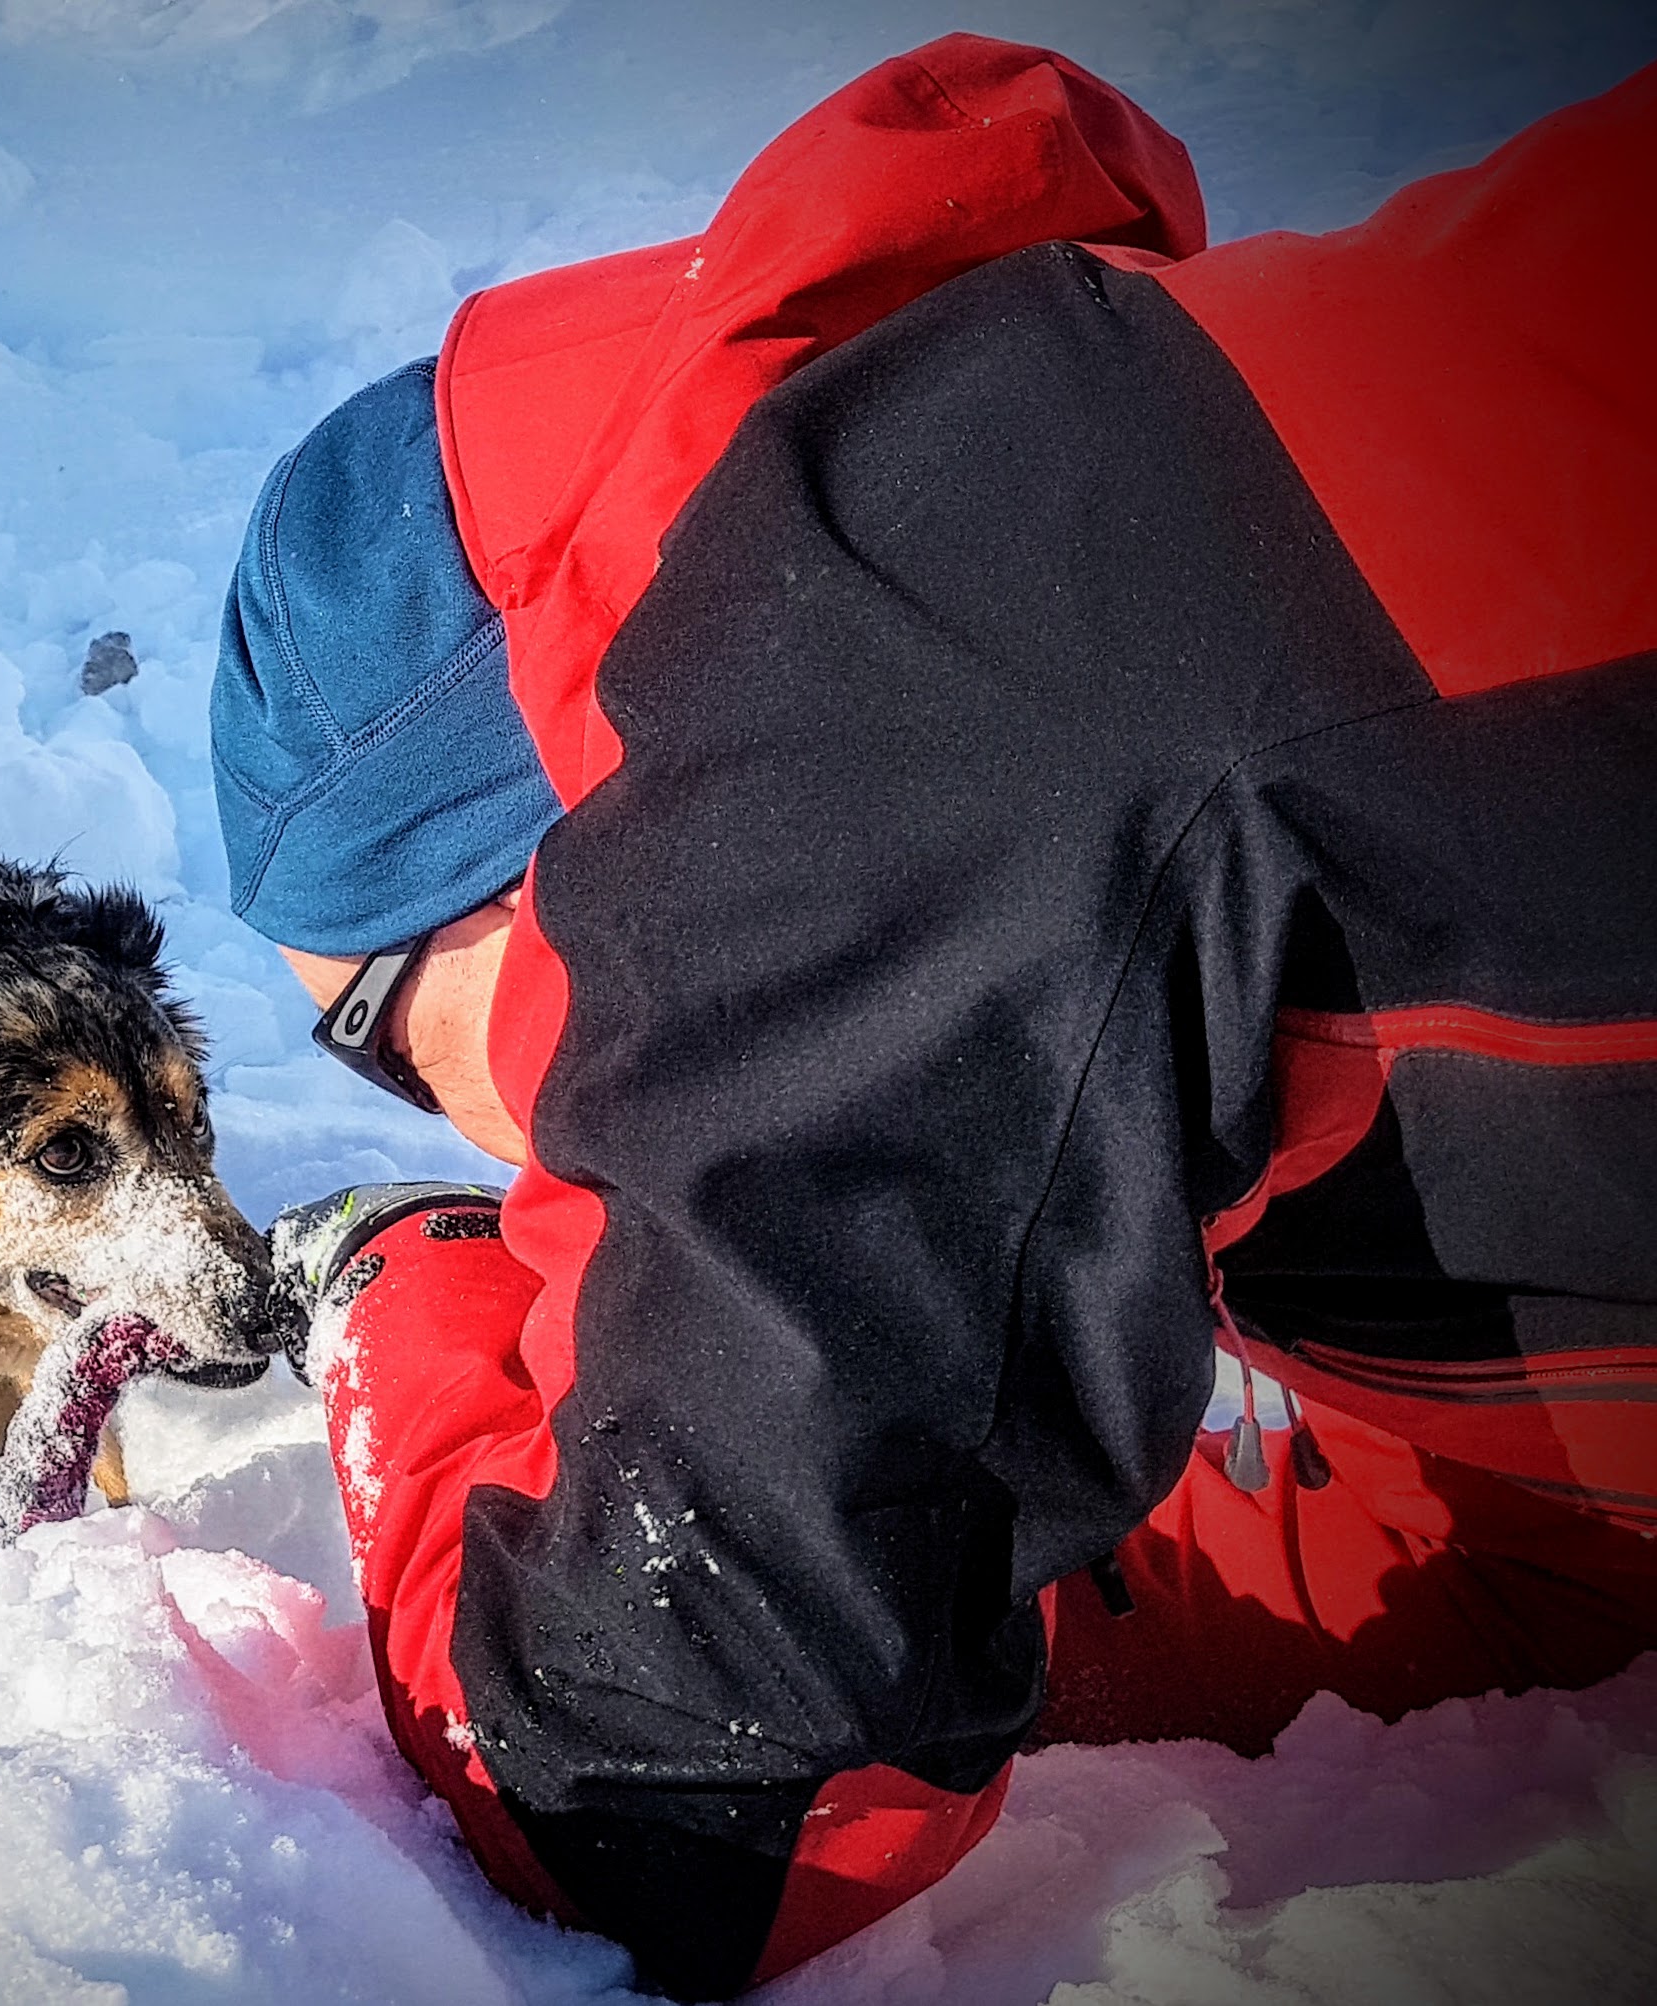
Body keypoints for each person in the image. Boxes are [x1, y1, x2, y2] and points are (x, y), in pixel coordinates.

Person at [207, 33, 1657, 1999]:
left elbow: (670, 1792)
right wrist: (948, 1565)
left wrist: (417, 1295)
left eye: (374, 1030)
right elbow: (1530, 1546)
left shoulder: (879, 666)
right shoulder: (1141, 642)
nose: (449, 1126)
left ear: (566, 843)